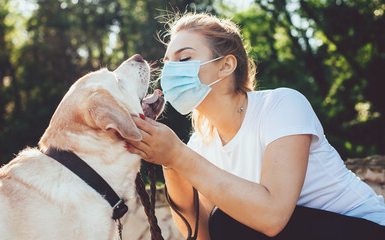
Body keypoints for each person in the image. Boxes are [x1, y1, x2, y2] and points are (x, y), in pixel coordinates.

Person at [125, 13, 385, 239]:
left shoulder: (282, 105)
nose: (169, 71)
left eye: (184, 59)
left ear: (226, 66)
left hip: (366, 229)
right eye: (168, 63)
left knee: (227, 221)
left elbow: (272, 217)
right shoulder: (200, 145)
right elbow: (202, 234)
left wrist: (179, 155)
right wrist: (171, 163)